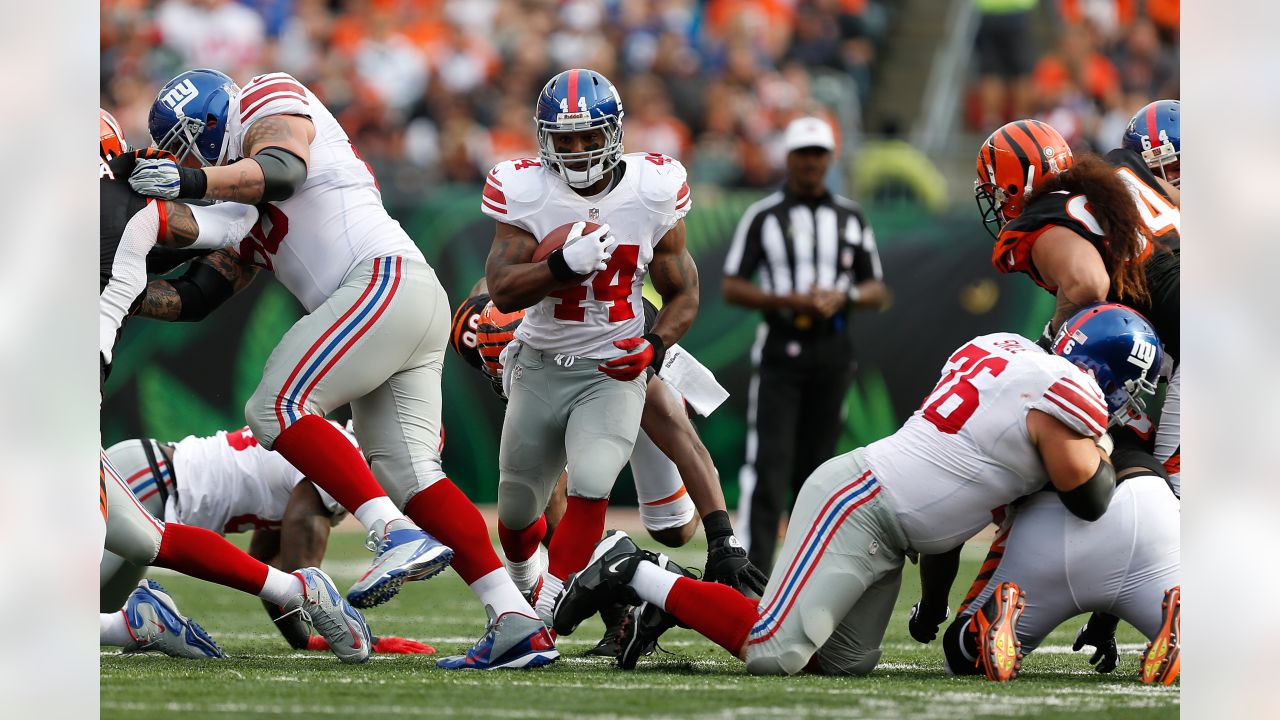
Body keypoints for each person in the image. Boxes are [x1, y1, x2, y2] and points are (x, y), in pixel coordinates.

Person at [128, 68, 555, 669]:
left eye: (183, 150)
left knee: (275, 408)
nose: (181, 165)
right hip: (397, 301)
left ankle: (390, 532)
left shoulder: (264, 99)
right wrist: (121, 288)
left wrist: (190, 178)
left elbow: (282, 169)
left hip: (382, 281)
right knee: (411, 474)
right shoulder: (234, 201)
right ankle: (515, 621)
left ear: (206, 128)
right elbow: (197, 296)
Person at [553, 304, 1164, 679]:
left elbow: (956, 499)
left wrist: (931, 605)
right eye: (1131, 388)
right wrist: (1110, 443)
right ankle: (638, 570)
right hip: (860, 502)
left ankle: (673, 597)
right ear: (1109, 375)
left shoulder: (1008, 355)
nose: (1130, 404)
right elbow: (1091, 497)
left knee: (842, 663)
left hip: (891, 531)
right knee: (775, 652)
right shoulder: (1067, 395)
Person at [99, 109, 372, 664]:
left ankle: (131, 624)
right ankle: (279, 593)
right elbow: (232, 226)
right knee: (145, 540)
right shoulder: (139, 211)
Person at [479, 69, 701, 624]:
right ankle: (528, 580)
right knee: (514, 511)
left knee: (593, 483)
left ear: (615, 131)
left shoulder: (652, 189)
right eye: (565, 138)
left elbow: (684, 293)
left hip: (613, 365)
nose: (577, 150)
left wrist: (653, 347)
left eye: (588, 136)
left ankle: (545, 615)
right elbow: (503, 291)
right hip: (539, 361)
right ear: (544, 137)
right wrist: (557, 267)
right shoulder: (523, 188)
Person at [450, 279, 767, 656]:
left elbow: (685, 441)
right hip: (550, 372)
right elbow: (498, 279)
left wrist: (721, 535)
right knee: (547, 499)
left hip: (617, 367)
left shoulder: (613, 337)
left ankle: (637, 568)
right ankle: (617, 607)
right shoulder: (483, 318)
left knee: (673, 529)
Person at [907, 305, 1180, 685]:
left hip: (1045, 532)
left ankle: (991, 624)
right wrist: (1105, 625)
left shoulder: (1025, 395)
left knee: (962, 653)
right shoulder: (1139, 424)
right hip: (1147, 506)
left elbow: (949, 524)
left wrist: (932, 607)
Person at [99, 422, 434, 656]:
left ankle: (146, 619)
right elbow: (308, 583)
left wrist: (305, 641)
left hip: (153, 480)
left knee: (100, 611)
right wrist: (360, 636)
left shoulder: (337, 445)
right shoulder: (345, 459)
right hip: (148, 479)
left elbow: (266, 566)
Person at [721, 115, 887, 572]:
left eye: (819, 154)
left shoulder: (851, 217)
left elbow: (876, 289)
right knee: (768, 464)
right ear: (789, 158)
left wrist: (844, 295)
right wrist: (786, 299)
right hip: (780, 348)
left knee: (820, 468)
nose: (811, 163)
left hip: (833, 352)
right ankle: (753, 572)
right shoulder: (765, 216)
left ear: (830, 159)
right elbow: (733, 285)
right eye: (803, 154)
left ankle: (805, 569)